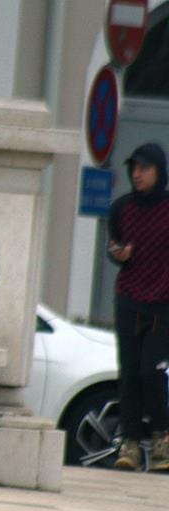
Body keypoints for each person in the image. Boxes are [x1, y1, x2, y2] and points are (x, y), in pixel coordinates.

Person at [108, 142, 169, 473]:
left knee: (151, 371)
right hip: (129, 300)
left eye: (145, 168)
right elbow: (114, 245)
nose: (137, 174)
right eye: (134, 168)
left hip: (162, 304)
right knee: (129, 372)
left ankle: (161, 438)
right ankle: (130, 442)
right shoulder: (122, 209)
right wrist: (118, 254)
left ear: (160, 171)